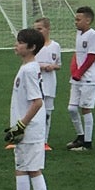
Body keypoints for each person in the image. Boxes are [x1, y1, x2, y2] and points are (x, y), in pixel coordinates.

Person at [1, 28, 51, 190]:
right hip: (26, 128)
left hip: (30, 128)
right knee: (22, 169)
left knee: (33, 170)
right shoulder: (28, 67)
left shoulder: (29, 70)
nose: (17, 45)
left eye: (21, 42)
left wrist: (21, 125)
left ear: (31, 47)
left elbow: (37, 102)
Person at [66, 6, 95, 151]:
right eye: (75, 19)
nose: (76, 22)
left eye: (78, 19)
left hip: (89, 78)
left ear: (88, 20)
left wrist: (80, 73)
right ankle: (80, 136)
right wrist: (74, 70)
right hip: (77, 78)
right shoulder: (79, 34)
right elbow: (78, 54)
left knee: (85, 109)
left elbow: (91, 57)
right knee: (72, 108)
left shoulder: (92, 35)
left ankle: (87, 143)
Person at [34, 16, 62, 149]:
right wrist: (42, 66)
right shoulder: (33, 46)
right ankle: (32, 138)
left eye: (39, 29)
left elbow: (59, 65)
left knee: (47, 113)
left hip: (50, 83)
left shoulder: (55, 46)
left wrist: (52, 67)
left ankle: (44, 141)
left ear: (47, 29)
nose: (37, 32)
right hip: (35, 83)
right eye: (35, 29)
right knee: (34, 112)